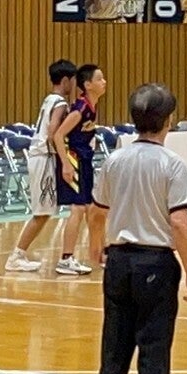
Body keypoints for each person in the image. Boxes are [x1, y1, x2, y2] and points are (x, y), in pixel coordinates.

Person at [94, 82, 187, 374]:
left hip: (117, 261)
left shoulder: (114, 160)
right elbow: (179, 222)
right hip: (155, 263)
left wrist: (95, 247)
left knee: (113, 347)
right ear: (169, 120)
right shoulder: (172, 164)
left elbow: (97, 212)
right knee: (154, 349)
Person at [6, 59, 79, 272]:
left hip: (39, 157)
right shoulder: (60, 103)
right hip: (43, 157)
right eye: (72, 80)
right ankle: (16, 255)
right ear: (65, 80)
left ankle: (19, 254)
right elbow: (53, 132)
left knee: (44, 211)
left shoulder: (49, 99)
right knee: (42, 212)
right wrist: (64, 159)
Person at [52, 64, 108, 274]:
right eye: (99, 79)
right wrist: (66, 164)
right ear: (88, 85)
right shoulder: (80, 109)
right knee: (78, 208)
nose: (104, 82)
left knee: (92, 207)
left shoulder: (92, 107)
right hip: (73, 159)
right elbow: (58, 135)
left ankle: (102, 253)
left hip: (84, 159)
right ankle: (66, 259)